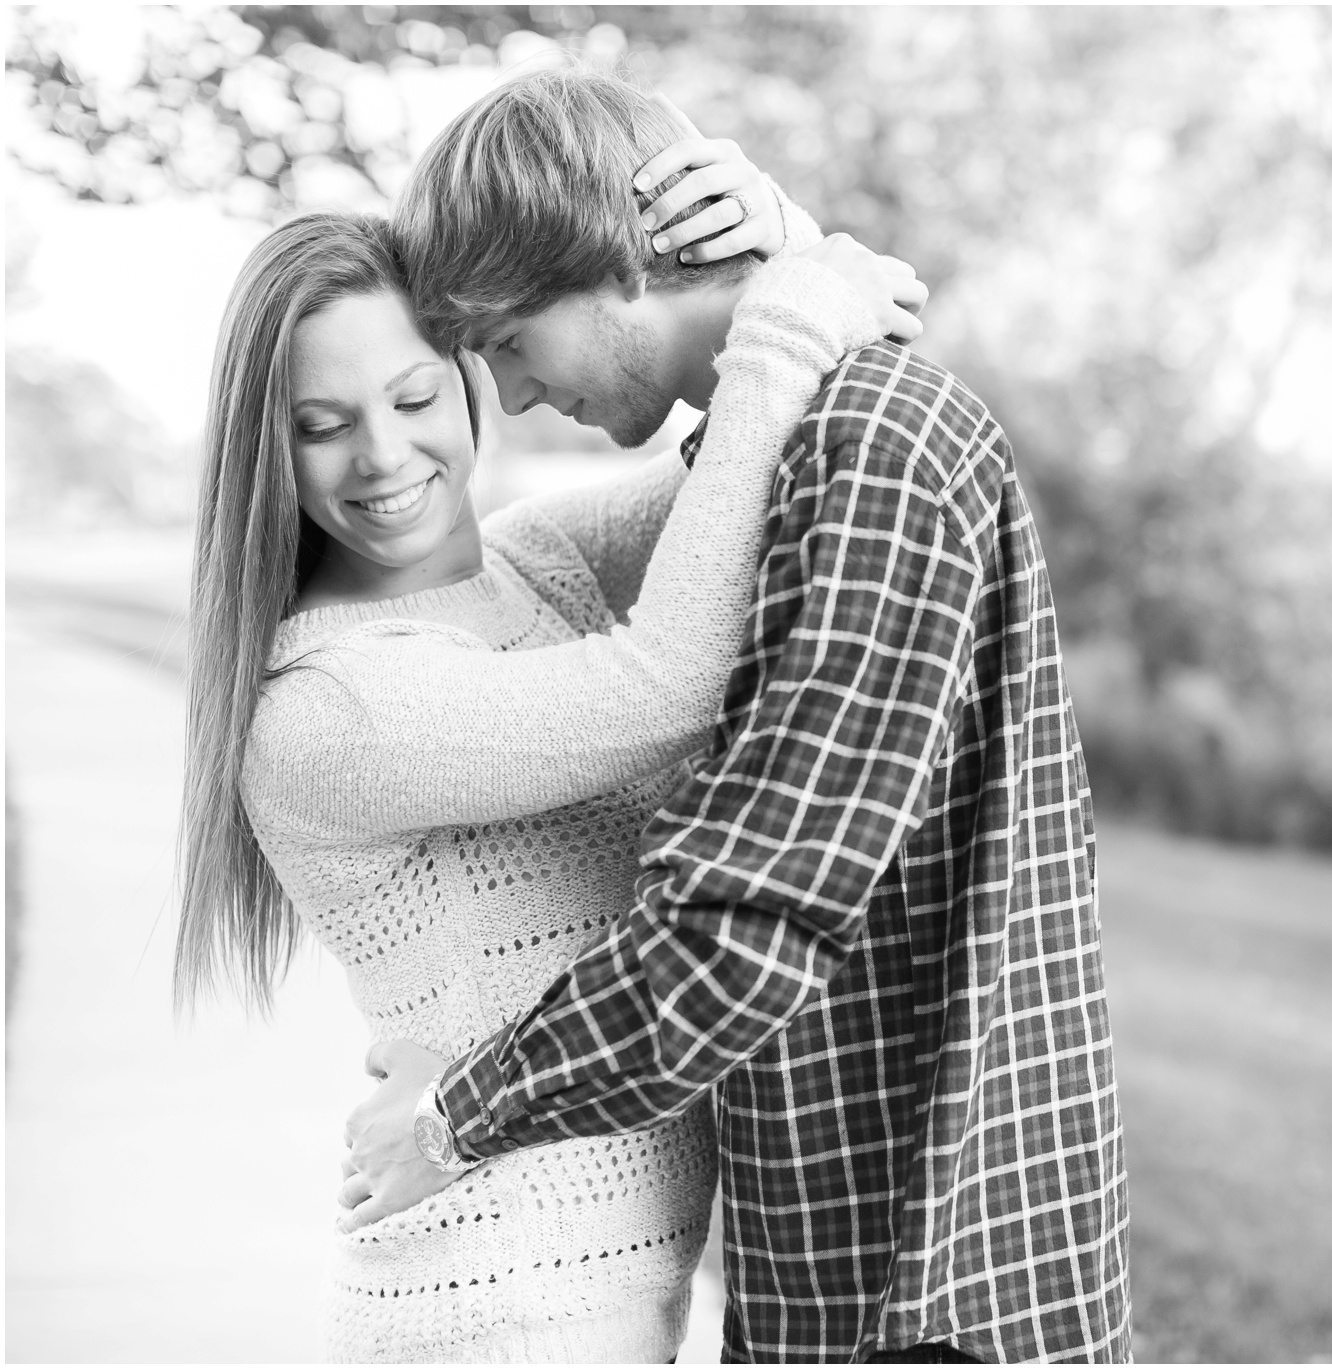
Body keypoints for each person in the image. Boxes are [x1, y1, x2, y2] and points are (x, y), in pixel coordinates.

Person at [336, 67, 1133, 1363]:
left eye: (505, 343)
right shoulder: (783, 445)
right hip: (847, 1261)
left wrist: (450, 1120)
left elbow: (744, 931)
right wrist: (802, 267)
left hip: (925, 1290)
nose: (515, 399)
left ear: (618, 262)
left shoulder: (867, 445)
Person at [177, 95, 925, 1359]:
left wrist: (763, 244)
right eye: (320, 427)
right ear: (270, 455)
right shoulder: (329, 707)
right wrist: (788, 309)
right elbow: (664, 683)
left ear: (475, 368)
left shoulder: (533, 570)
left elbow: (758, 459)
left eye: (413, 395)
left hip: (595, 1302)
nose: (381, 456)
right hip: (498, 1312)